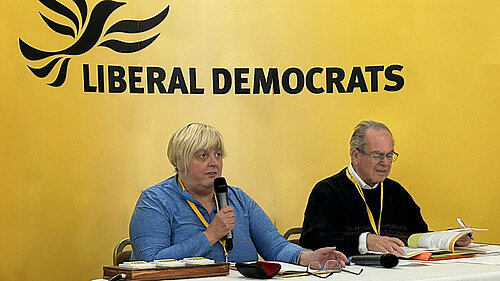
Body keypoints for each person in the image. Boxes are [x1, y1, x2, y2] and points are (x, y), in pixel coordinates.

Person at [129, 123, 348, 268]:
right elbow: (150, 261)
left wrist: (306, 257)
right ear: (178, 162)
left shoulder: (238, 198)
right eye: (203, 156)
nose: (214, 162)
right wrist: (210, 235)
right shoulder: (155, 201)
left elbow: (275, 246)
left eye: (217, 155)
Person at [299, 120, 471, 257]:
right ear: (355, 155)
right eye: (378, 155)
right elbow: (311, 240)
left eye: (389, 155)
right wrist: (364, 241)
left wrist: (447, 239)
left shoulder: (396, 191)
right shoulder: (327, 191)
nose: (386, 163)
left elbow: (416, 235)